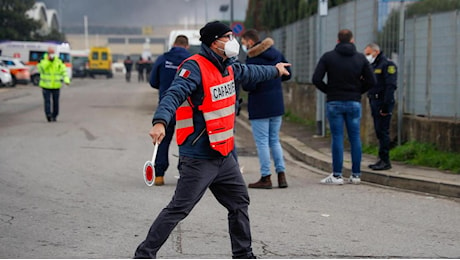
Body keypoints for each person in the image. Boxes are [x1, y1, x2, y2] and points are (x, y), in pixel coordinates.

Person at [134, 21, 291, 259]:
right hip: (199, 157)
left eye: (232, 36)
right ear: (213, 42)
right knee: (179, 209)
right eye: (227, 37)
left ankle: (243, 254)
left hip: (224, 155)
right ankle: (144, 254)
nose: (232, 41)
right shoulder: (194, 67)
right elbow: (173, 94)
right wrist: (160, 121)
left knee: (239, 203)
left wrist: (276, 70)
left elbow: (253, 72)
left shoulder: (230, 66)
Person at [312, 29, 376, 185]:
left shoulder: (328, 57)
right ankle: (355, 175)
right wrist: (357, 91)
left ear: (338, 40)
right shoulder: (360, 58)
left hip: (334, 102)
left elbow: (316, 79)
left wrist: (330, 91)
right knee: (355, 138)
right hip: (354, 102)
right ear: (352, 40)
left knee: (337, 138)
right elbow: (372, 81)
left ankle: (337, 175)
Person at [240, 29, 291, 189]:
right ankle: (281, 176)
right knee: (274, 140)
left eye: (243, 42)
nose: (243, 45)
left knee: (262, 142)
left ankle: (266, 177)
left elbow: (249, 85)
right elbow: (288, 74)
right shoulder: (275, 53)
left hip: (260, 104)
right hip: (276, 103)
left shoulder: (252, 59)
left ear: (249, 41)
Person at [148, 35, 191, 186]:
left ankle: (159, 175)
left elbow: (153, 81)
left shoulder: (162, 59)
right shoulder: (192, 60)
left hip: (167, 106)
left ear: (174, 44)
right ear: (187, 46)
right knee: (185, 140)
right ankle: (184, 174)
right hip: (186, 108)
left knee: (163, 139)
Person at [364, 43, 397, 171]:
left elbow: (390, 86)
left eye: (368, 54)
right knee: (378, 131)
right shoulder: (373, 65)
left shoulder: (387, 65)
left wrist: (385, 107)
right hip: (374, 101)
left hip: (383, 102)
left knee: (383, 131)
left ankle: (385, 160)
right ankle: (380, 159)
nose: (367, 56)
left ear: (375, 52)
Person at [38, 46, 70, 122]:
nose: (51, 54)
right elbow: (41, 68)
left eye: (52, 53)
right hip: (46, 85)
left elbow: (63, 71)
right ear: (47, 53)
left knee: (56, 101)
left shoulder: (58, 61)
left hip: (56, 85)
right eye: (50, 53)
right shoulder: (43, 60)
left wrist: (66, 80)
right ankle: (48, 115)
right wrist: (49, 61)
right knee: (47, 101)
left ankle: (55, 115)